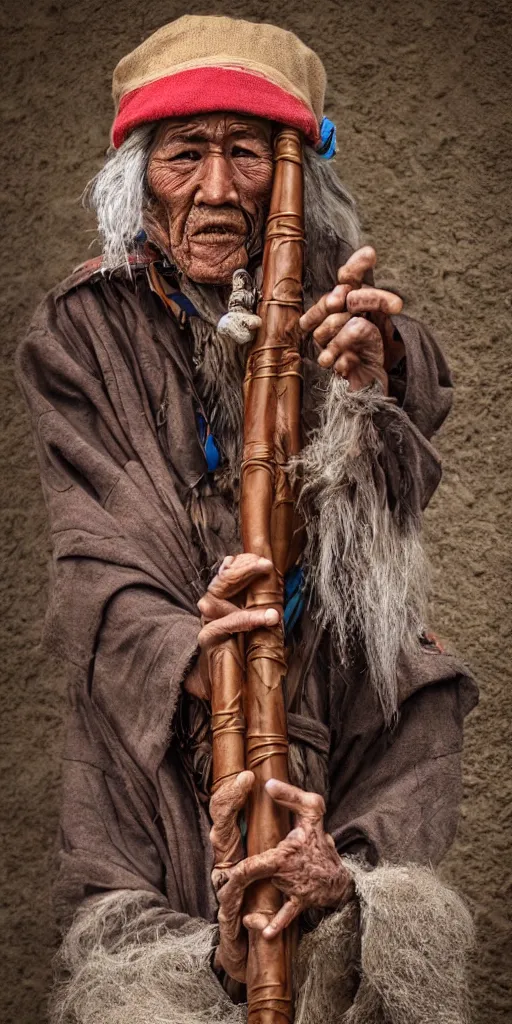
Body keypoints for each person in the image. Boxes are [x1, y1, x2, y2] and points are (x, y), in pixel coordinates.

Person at [17, 15, 478, 1024]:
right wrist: (211, 660)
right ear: (140, 176)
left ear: (296, 181)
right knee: (149, 967)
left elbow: (411, 419)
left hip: (332, 701)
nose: (218, 190)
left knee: (351, 911)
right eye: (186, 153)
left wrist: (368, 377)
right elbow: (95, 547)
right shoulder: (82, 329)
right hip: (165, 719)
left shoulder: (343, 310)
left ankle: (337, 889)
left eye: (246, 154)